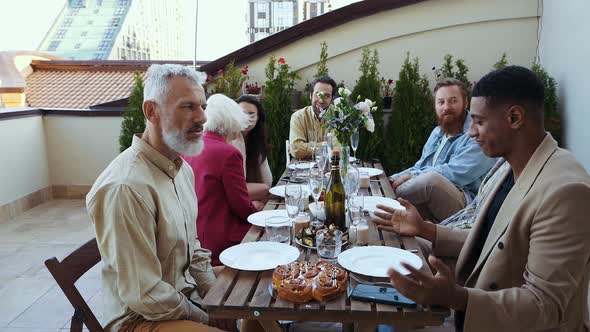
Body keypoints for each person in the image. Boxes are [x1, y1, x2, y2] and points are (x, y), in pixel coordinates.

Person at [374, 66, 590, 331]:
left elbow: (544, 306)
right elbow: (492, 241)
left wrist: (455, 296)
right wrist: (423, 229)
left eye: (479, 121)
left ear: (514, 117)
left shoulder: (566, 191)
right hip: (474, 298)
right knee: (395, 253)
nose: (472, 132)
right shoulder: (506, 166)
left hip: (495, 318)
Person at [86, 64, 235, 332]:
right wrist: (207, 317)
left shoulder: (181, 168)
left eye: (202, 106)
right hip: (141, 319)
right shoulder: (125, 187)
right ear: (151, 111)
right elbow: (145, 295)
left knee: (258, 286)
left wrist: (216, 299)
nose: (202, 117)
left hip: (181, 296)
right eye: (188, 107)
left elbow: (194, 249)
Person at [389, 78, 496, 223]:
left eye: (453, 101)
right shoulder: (437, 132)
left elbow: (454, 173)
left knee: (432, 180)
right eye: (441, 102)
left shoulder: (478, 133)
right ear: (435, 106)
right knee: (393, 211)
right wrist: (393, 179)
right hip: (432, 199)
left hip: (466, 206)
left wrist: (409, 177)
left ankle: (387, 197)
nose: (446, 107)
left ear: (465, 103)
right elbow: (419, 166)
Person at [184, 94, 262, 266]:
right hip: (221, 238)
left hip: (194, 236)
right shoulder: (228, 153)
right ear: (231, 121)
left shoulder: (190, 147)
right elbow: (241, 206)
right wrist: (262, 216)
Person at [231, 94, 271, 205]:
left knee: (263, 198)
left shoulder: (256, 138)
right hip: (232, 189)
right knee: (265, 192)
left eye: (252, 114)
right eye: (242, 113)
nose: (247, 118)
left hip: (247, 188)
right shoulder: (232, 138)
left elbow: (267, 178)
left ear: (258, 117)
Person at [289, 75, 339, 159]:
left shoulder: (338, 116)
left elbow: (337, 149)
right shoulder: (298, 117)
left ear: (331, 99)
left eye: (327, 96)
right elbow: (296, 149)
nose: (321, 100)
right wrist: (327, 145)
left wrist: (307, 147)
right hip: (304, 169)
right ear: (310, 95)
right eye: (318, 94)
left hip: (332, 168)